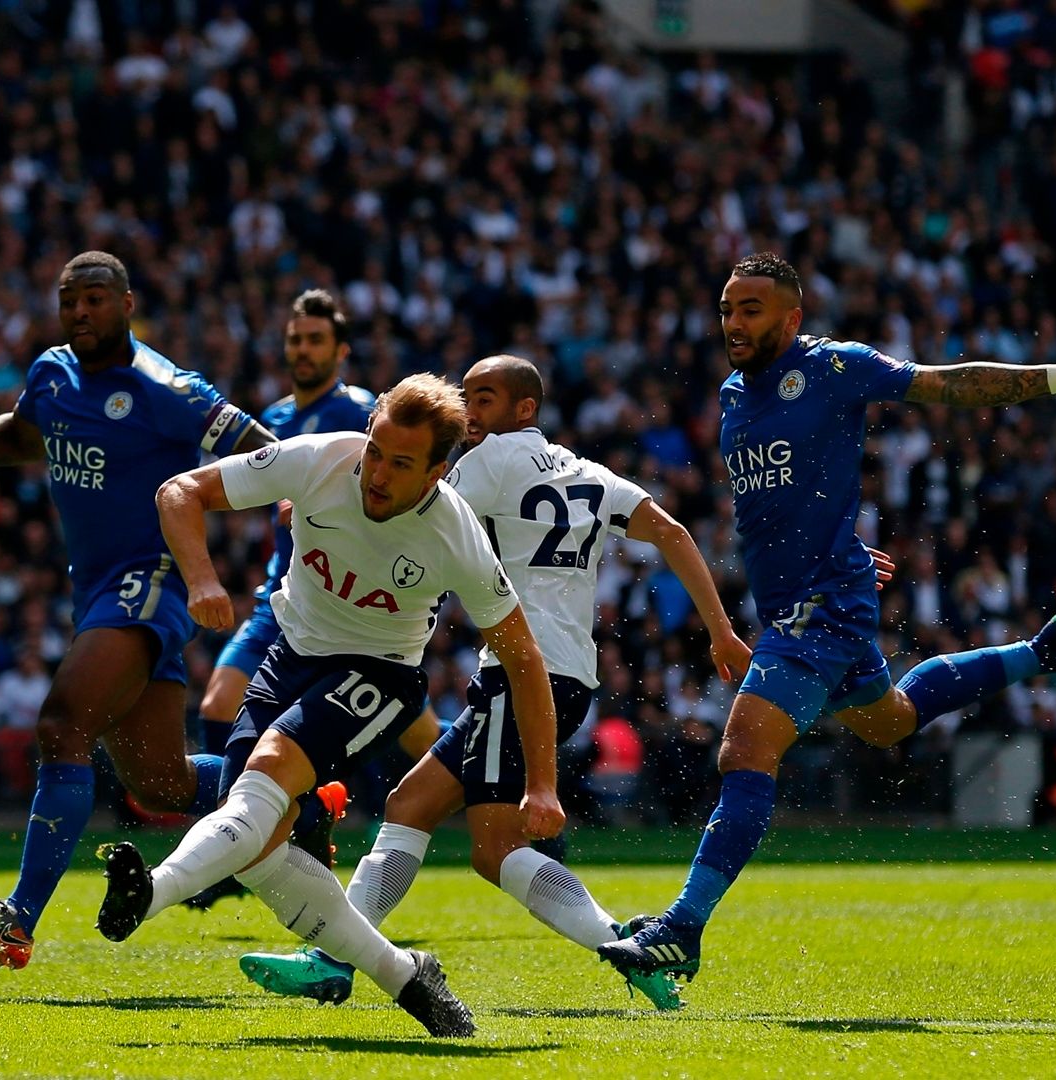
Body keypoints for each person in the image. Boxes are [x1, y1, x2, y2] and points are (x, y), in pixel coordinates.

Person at [598, 252, 1056, 999]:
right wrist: (841, 544)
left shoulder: (834, 367)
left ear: (792, 318)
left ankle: (682, 930)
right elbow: (784, 503)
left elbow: (946, 385)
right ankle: (1040, 649)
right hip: (810, 597)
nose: (733, 322)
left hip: (821, 608)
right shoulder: (732, 394)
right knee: (889, 722)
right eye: (727, 307)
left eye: (751, 308)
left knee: (745, 746)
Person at [237, 353, 771, 1010]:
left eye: (483, 398)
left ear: (524, 409)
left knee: (494, 849)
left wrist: (321, 509)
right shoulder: (589, 472)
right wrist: (719, 629)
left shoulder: (486, 463)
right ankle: (336, 958)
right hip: (565, 673)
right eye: (466, 396)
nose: (469, 411)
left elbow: (413, 506)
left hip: (526, 675)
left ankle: (626, 945)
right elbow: (673, 531)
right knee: (410, 806)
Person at [96, 373, 562, 1037]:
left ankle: (150, 895)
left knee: (264, 782)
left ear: (438, 472)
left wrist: (542, 783)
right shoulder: (323, 458)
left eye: (401, 464)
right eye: (376, 451)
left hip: (380, 675)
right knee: (254, 846)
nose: (377, 473)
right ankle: (406, 975)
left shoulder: (455, 535)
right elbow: (180, 491)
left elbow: (524, 659)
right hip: (291, 656)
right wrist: (202, 578)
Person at [0, 251, 273, 969]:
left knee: (63, 724)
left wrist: (306, 502)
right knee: (160, 783)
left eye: (94, 299)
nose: (81, 312)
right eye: (70, 302)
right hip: (92, 588)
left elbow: (263, 449)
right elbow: (20, 436)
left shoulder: (166, 387)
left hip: (148, 580)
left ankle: (20, 915)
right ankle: (301, 796)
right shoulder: (52, 372)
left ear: (127, 304)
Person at [186, 288, 435, 909]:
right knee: (219, 703)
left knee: (426, 743)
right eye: (295, 338)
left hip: (352, 601)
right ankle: (240, 838)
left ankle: (508, 800)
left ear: (341, 350)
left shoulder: (358, 416)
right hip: (283, 593)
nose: (302, 349)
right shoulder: (272, 418)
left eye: (315, 340)